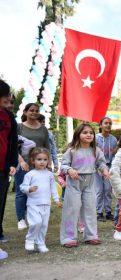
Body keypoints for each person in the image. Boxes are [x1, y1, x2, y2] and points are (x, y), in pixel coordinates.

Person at [59, 124, 109, 247]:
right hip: (74, 182)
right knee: (72, 209)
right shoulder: (71, 150)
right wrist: (70, 170)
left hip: (90, 182)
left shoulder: (96, 150)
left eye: (91, 133)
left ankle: (91, 235)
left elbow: (101, 163)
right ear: (78, 135)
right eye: (85, 132)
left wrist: (104, 170)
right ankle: (68, 238)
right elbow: (64, 165)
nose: (88, 135)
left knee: (90, 208)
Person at [15, 103, 50, 231]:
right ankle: (20, 219)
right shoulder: (19, 127)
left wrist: (49, 164)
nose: (34, 112)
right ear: (25, 112)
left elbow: (47, 147)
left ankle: (33, 217)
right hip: (23, 165)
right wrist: (21, 161)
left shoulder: (43, 129)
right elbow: (14, 146)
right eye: (31, 110)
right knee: (22, 192)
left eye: (36, 110)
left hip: (39, 165)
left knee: (37, 192)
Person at [20, 148, 61, 252]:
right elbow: (22, 187)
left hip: (46, 204)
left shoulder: (50, 175)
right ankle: (29, 240)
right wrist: (29, 188)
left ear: (48, 161)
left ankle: (40, 243)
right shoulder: (30, 174)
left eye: (45, 159)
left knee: (43, 225)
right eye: (39, 159)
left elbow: (53, 188)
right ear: (33, 160)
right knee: (35, 223)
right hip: (33, 204)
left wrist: (56, 199)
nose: (42, 162)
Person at [0, 79, 18, 243]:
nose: (8, 98)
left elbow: (13, 142)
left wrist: (12, 163)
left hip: (2, 167)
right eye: (4, 95)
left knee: (1, 199)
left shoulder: (8, 116)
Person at [96, 117, 118, 221]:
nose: (108, 125)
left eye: (110, 123)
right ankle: (99, 212)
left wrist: (113, 166)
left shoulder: (113, 139)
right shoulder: (95, 138)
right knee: (99, 190)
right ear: (101, 125)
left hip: (109, 167)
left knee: (108, 189)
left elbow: (114, 154)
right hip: (97, 167)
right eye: (106, 123)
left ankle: (108, 211)